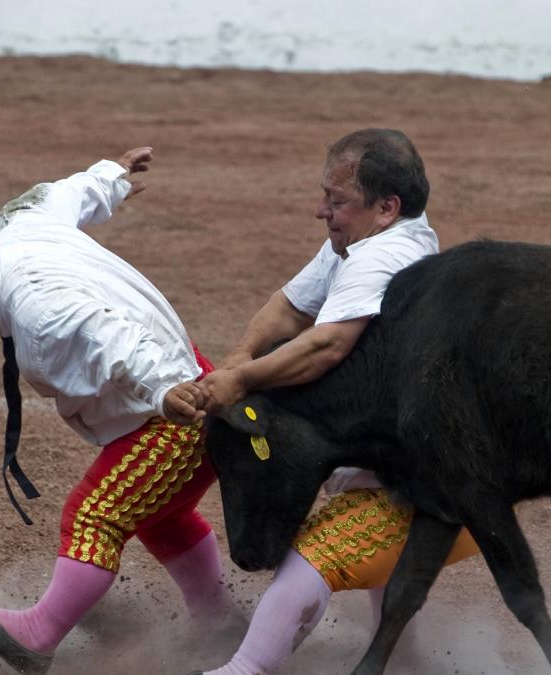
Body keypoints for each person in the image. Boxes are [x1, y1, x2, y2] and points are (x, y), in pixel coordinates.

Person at [0, 147, 239, 675]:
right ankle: (219, 624)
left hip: (174, 410)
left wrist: (165, 391)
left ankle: (38, 634)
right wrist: (110, 176)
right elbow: (58, 195)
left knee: (94, 515)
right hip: (183, 383)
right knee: (161, 517)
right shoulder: (15, 227)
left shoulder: (38, 309)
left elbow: (116, 339)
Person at [182, 128, 478, 675]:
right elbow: (291, 307)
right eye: (326, 195)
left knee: (312, 561)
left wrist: (241, 381)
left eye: (337, 201)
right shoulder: (360, 242)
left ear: (387, 207)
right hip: (427, 466)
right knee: (384, 569)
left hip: (443, 487)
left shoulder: (384, 257)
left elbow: (325, 344)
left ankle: (242, 671)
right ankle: (408, 665)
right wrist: (239, 358)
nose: (322, 211)